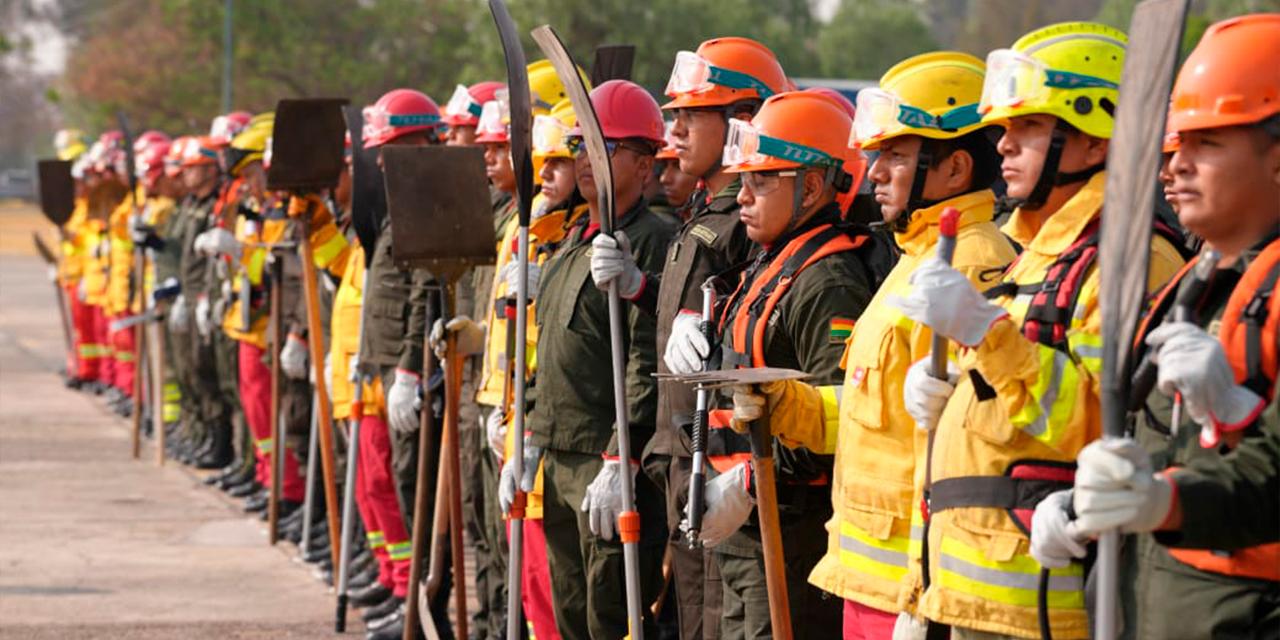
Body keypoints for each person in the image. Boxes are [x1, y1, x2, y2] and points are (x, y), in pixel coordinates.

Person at [889, 22, 1185, 639]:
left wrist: (985, 334)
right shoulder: (1040, 253)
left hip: (1044, 607)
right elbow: (1019, 395)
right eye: (1004, 127)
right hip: (976, 596)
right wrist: (957, 389)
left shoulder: (1130, 261)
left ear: (1096, 140)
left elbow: (1102, 425)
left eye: (1027, 126)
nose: (1002, 144)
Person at [736, 51, 1017, 639]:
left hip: (912, 586)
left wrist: (924, 586)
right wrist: (790, 405)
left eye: (895, 155)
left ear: (955, 168)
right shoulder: (915, 258)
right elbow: (876, 412)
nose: (874, 173)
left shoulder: (969, 265)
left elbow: (969, 446)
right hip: (871, 579)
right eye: (875, 155)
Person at [1030, 13, 1280, 638]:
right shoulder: (1198, 279)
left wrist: (1165, 499)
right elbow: (1157, 441)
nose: (1176, 165)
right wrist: (1089, 504)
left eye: (1207, 143)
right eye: (1177, 144)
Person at [590, 37, 787, 640]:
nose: (673, 130)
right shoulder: (706, 211)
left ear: (743, 119)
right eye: (674, 114)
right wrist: (640, 289)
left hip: (722, 467)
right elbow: (689, 327)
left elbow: (749, 336)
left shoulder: (749, 222)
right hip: (683, 457)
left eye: (691, 115)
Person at [694, 89, 891, 639]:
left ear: (812, 186)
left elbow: (837, 417)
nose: (742, 196)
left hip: (789, 535)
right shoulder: (772, 261)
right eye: (743, 180)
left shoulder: (827, 281)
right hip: (745, 532)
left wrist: (750, 481)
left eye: (761, 180)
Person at [521, 79, 677, 640]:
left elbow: (646, 357)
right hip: (560, 450)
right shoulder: (573, 240)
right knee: (570, 611)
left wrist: (621, 455)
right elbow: (550, 347)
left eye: (605, 147)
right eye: (580, 145)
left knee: (613, 614)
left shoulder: (651, 240)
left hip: (606, 457)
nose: (587, 159)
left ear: (645, 164)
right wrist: (530, 433)